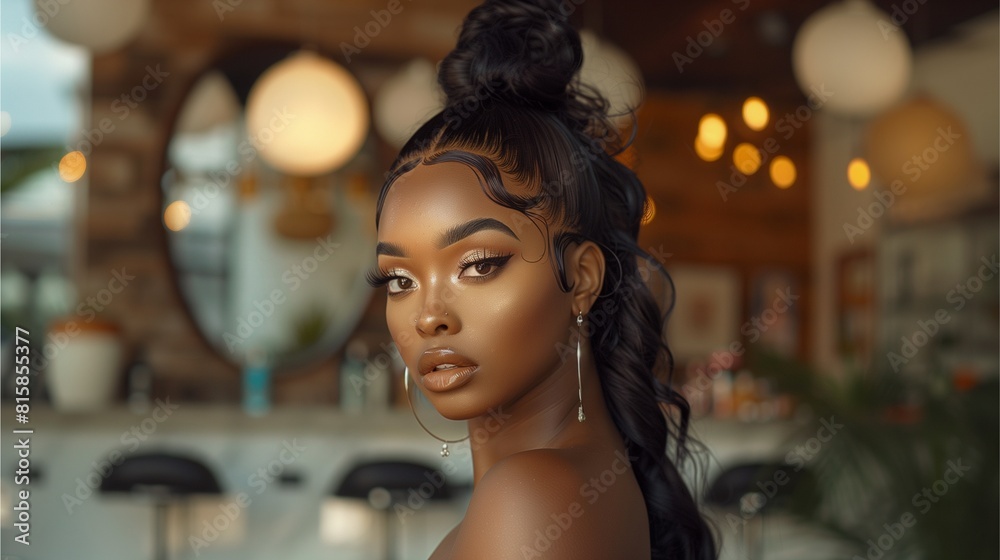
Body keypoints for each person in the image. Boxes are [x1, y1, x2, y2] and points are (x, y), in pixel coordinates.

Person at [365, 0, 718, 558]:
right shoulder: (570, 481)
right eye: (400, 279)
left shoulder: (532, 498)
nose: (428, 315)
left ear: (580, 278)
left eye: (478, 264)